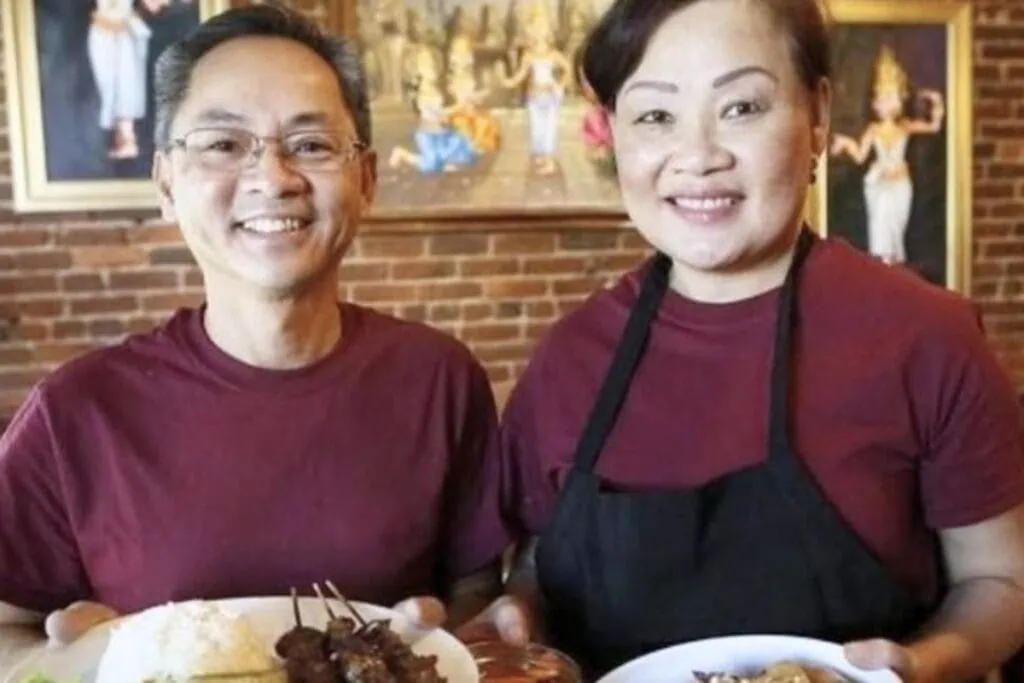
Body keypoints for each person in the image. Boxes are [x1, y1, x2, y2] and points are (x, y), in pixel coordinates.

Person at [487, 0, 1024, 680]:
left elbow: (1002, 581)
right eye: (655, 115)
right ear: (612, 133)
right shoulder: (569, 357)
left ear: (819, 114)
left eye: (741, 107)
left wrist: (920, 665)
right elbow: (538, 564)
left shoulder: (927, 338)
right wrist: (518, 613)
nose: (699, 156)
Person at [0, 3, 510, 662]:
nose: (273, 177)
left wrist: (440, 643)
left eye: (311, 144)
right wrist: (79, 666)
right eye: (223, 143)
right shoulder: (77, 411)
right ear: (165, 181)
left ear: (366, 179)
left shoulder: (440, 378)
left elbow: (470, 593)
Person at [830, 45, 945, 266]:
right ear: (875, 104)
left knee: (895, 228)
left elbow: (934, 126)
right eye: (882, 98)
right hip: (880, 184)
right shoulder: (873, 130)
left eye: (891, 97)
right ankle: (882, 265)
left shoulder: (905, 127)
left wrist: (936, 101)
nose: (887, 103)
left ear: (900, 100)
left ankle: (893, 267)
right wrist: (845, 143)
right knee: (880, 222)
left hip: (901, 184)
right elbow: (860, 156)